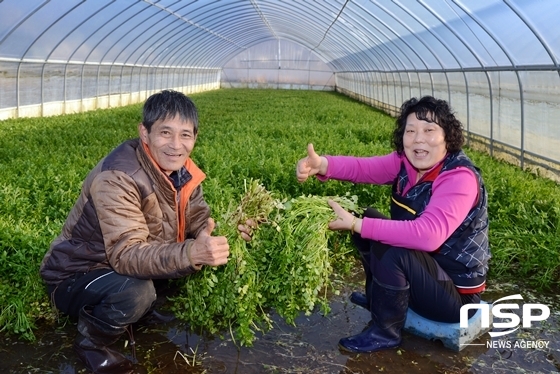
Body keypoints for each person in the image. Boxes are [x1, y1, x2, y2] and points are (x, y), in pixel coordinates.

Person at [40, 90, 252, 373]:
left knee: (168, 269)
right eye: (165, 132)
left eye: (185, 135)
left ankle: (140, 315)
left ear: (195, 138)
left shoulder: (182, 171)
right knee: (136, 291)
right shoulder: (118, 177)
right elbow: (126, 256)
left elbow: (199, 218)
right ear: (145, 132)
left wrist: (216, 235)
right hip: (76, 273)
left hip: (121, 264)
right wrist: (192, 252)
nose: (176, 145)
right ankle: (92, 343)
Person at [296, 95, 490, 353]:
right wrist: (322, 165)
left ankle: (385, 332)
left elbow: (428, 235)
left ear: (447, 137)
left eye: (429, 130)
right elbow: (363, 168)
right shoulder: (405, 164)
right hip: (427, 270)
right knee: (370, 219)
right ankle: (379, 299)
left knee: (389, 245)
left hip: (455, 296)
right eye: (411, 131)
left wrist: (356, 224)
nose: (419, 138)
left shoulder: (459, 178)